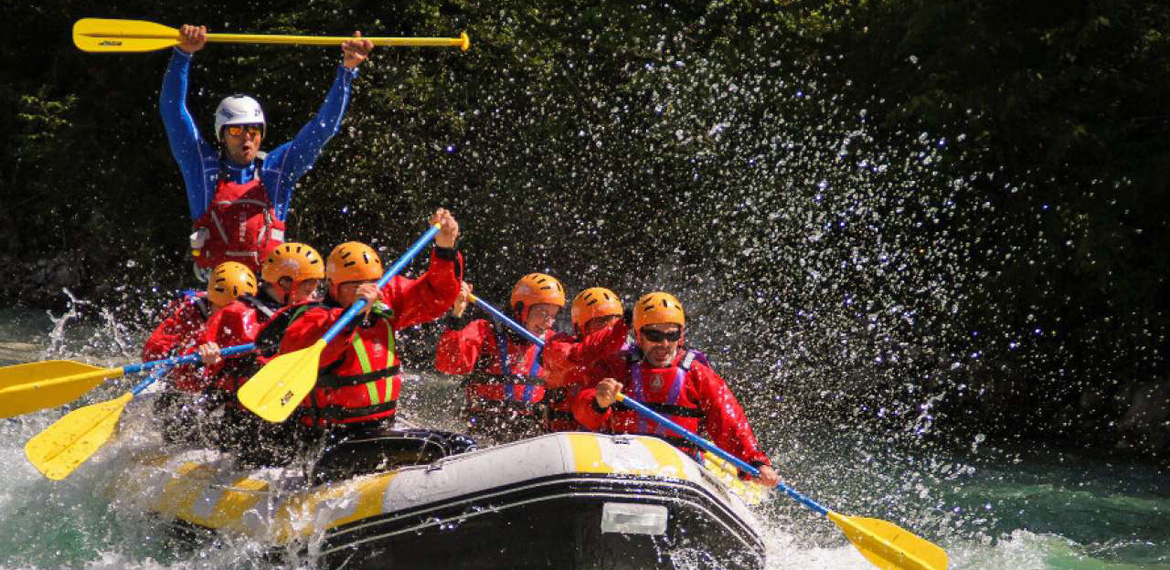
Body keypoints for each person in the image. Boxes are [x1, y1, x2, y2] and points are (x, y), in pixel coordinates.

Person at [160, 24, 373, 278]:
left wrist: (347, 72)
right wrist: (182, 55)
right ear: (222, 135)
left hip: (268, 292)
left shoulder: (276, 170)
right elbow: (173, 111)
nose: (246, 138)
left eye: (253, 131)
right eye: (237, 131)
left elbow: (322, 129)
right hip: (218, 291)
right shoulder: (203, 170)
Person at [268, 209, 463, 456]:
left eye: (374, 282)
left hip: (379, 429)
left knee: (458, 446)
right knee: (440, 449)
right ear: (333, 286)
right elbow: (311, 351)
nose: (370, 291)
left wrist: (445, 250)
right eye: (357, 285)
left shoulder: (385, 300)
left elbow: (438, 296)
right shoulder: (313, 318)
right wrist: (354, 315)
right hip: (333, 441)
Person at [572, 292, 780, 487]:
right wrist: (598, 401)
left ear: (680, 336)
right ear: (638, 334)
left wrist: (755, 463)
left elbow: (729, 421)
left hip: (681, 468)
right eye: (654, 335)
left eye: (671, 336)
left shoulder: (698, 375)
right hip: (623, 463)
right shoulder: (617, 367)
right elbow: (583, 413)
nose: (664, 344)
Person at [181, 242, 325, 451]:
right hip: (247, 419)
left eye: (315, 289)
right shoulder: (237, 313)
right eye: (308, 289)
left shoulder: (312, 313)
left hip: (292, 410)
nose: (313, 296)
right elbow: (193, 360)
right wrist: (205, 353)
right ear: (284, 284)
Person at [434, 273, 566, 441]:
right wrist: (457, 313)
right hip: (484, 431)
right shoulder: (485, 332)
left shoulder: (554, 344)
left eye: (553, 316)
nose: (549, 322)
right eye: (543, 313)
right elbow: (448, 364)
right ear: (520, 309)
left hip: (533, 435)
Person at [144, 261, 256, 442]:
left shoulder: (251, 316)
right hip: (186, 383)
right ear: (211, 299)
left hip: (224, 385)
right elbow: (153, 350)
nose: (225, 317)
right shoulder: (190, 311)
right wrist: (191, 353)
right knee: (177, 428)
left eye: (233, 312)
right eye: (221, 309)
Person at [541, 287, 629, 432]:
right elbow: (583, 352)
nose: (610, 327)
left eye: (616, 322)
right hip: (566, 439)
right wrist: (599, 404)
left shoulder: (627, 355)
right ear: (580, 328)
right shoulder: (559, 348)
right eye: (602, 322)